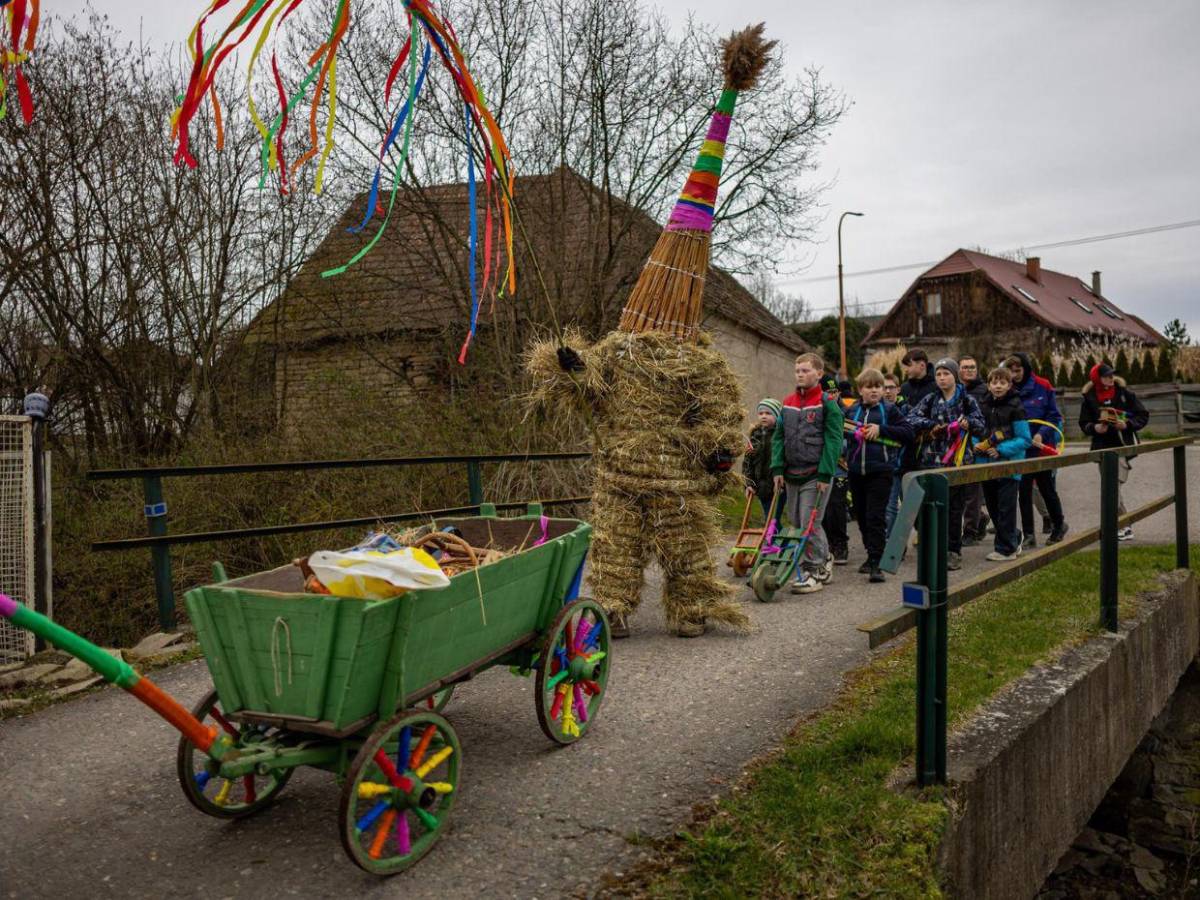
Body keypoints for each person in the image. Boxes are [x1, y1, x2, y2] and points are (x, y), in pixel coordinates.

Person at [772, 352, 844, 594]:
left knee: (809, 523)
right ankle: (824, 558)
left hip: (816, 475)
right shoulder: (788, 402)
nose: (800, 375)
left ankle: (815, 570)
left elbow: (833, 441)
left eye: (805, 370)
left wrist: (826, 474)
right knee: (796, 522)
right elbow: (779, 437)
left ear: (819, 374)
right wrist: (777, 468)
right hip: (792, 474)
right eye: (797, 371)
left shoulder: (827, 404)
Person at [906, 358, 986, 570]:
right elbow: (911, 419)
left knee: (954, 509)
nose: (942, 378)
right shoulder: (930, 399)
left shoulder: (967, 400)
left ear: (954, 375)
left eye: (946, 374)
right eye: (939, 374)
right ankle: (934, 547)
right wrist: (932, 425)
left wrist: (968, 424)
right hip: (931, 461)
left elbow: (981, 425)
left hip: (957, 462)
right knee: (932, 507)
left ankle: (953, 550)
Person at [844, 368, 913, 582]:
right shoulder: (851, 411)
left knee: (875, 517)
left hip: (881, 471)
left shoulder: (890, 410)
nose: (874, 391)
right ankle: (870, 553)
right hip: (855, 471)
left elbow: (908, 433)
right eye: (869, 387)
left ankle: (877, 562)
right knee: (862, 516)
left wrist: (881, 429)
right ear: (860, 390)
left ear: (883, 390)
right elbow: (842, 432)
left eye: (878, 387)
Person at [1079, 363, 1149, 540]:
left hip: (1121, 445)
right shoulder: (1088, 397)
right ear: (1096, 378)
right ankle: (1123, 527)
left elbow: (1142, 415)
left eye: (1112, 375)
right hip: (1102, 447)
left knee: (1113, 485)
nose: (1110, 378)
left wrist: (1127, 424)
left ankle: (1119, 526)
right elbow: (1083, 423)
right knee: (1110, 486)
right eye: (1106, 376)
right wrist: (1094, 427)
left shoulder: (1125, 394)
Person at [1006, 352, 1068, 547]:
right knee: (1023, 491)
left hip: (1041, 445)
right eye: (1011, 371)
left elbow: (1053, 415)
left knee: (1045, 488)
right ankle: (1029, 533)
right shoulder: (1007, 389)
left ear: (1026, 368)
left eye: (1018, 370)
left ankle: (1058, 524)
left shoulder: (1043, 386)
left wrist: (1041, 434)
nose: (1015, 374)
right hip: (1020, 447)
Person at [973, 365, 1030, 561]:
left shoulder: (1016, 407)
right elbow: (976, 431)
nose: (998, 386)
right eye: (994, 382)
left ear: (1009, 385)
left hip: (1008, 465)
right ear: (988, 385)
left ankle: (1007, 549)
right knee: (993, 507)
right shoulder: (982, 405)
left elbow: (1024, 439)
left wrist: (1001, 450)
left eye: (1002, 382)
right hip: (986, 465)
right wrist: (976, 446)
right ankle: (1014, 536)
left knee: (1006, 507)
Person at [958, 355, 991, 545]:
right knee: (959, 493)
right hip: (955, 447)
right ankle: (980, 518)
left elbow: (987, 419)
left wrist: (983, 441)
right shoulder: (955, 391)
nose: (969, 370)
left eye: (972, 367)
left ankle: (970, 531)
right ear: (959, 370)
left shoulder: (984, 391)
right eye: (965, 367)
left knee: (972, 492)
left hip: (977, 446)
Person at [820, 373, 851, 565]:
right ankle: (826, 544)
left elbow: (849, 439)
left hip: (840, 467)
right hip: (822, 466)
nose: (833, 396)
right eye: (828, 392)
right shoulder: (818, 410)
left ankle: (840, 544)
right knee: (822, 509)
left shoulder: (845, 412)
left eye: (835, 392)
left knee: (837, 507)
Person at [742, 398, 785, 529]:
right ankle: (776, 545)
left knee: (773, 519)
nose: (764, 416)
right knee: (770, 519)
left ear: (777, 415)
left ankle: (775, 545)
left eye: (768, 413)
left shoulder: (781, 435)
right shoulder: (755, 435)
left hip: (779, 485)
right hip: (762, 487)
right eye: (761, 413)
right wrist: (748, 484)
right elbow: (747, 462)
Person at [883, 372, 907, 537]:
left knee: (911, 507)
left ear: (898, 389)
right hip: (885, 465)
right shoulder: (878, 410)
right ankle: (891, 543)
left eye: (891, 387)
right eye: (884, 387)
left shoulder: (906, 409)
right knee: (890, 507)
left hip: (904, 463)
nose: (887, 391)